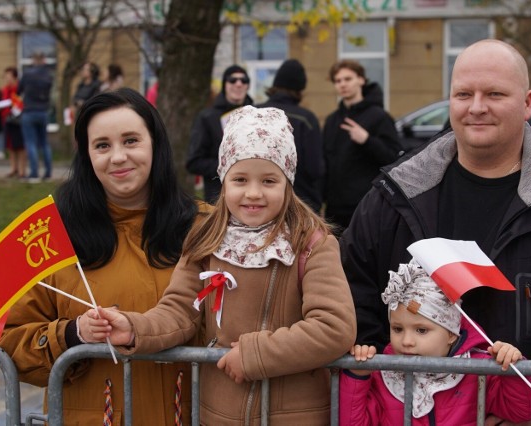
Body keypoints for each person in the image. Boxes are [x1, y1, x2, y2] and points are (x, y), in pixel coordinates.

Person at [340, 39, 531, 424]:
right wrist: (393, 393)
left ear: (527, 103)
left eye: (494, 93)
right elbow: (352, 295)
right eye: (464, 94)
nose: (477, 107)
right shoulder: (393, 198)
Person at [86, 105, 357, 424]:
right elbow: (178, 311)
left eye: (269, 181)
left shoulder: (312, 245)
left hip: (293, 416)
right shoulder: (206, 239)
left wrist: (257, 355)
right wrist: (134, 328)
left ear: (287, 183)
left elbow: (334, 327)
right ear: (224, 181)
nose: (253, 193)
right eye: (240, 179)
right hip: (218, 414)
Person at [0, 88, 204, 425]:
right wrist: (71, 335)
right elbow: (9, 339)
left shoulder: (205, 228)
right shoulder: (49, 237)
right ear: (87, 155)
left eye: (131, 140)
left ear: (156, 144)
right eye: (103, 145)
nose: (118, 157)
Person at [340, 261, 531, 425]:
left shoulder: (479, 370)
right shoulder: (382, 373)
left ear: (451, 334)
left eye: (421, 330)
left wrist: (512, 366)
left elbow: (522, 411)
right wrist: (357, 376)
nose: (407, 341)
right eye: (397, 329)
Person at [323, 59, 401, 232]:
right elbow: (325, 162)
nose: (343, 84)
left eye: (348, 79)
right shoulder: (332, 120)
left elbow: (393, 158)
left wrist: (367, 140)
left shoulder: (379, 117)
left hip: (366, 205)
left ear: (361, 80)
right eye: (338, 81)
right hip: (335, 208)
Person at [257, 58, 324, 212]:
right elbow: (315, 168)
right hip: (300, 202)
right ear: (301, 88)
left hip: (261, 200)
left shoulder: (255, 112)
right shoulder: (306, 119)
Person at [186, 64, 254, 204]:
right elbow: (194, 162)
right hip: (218, 199)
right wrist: (226, 166)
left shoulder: (257, 115)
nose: (239, 84)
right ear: (225, 84)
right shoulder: (207, 118)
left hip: (252, 197)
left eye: (244, 80)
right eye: (233, 80)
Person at [18, 52, 53, 182]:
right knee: (44, 143)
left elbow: (18, 90)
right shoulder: (48, 75)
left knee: (30, 143)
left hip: (29, 111)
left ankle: (34, 173)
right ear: (44, 60)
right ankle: (48, 172)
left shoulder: (27, 74)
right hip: (43, 111)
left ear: (33, 60)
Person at [0, 67, 26, 178]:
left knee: (20, 146)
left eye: (9, 77)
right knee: (11, 146)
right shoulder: (5, 90)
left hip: (18, 120)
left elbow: (21, 103)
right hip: (7, 120)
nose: (7, 79)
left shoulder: (19, 89)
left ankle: (21, 171)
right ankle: (13, 168)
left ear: (14, 77)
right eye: (5, 77)